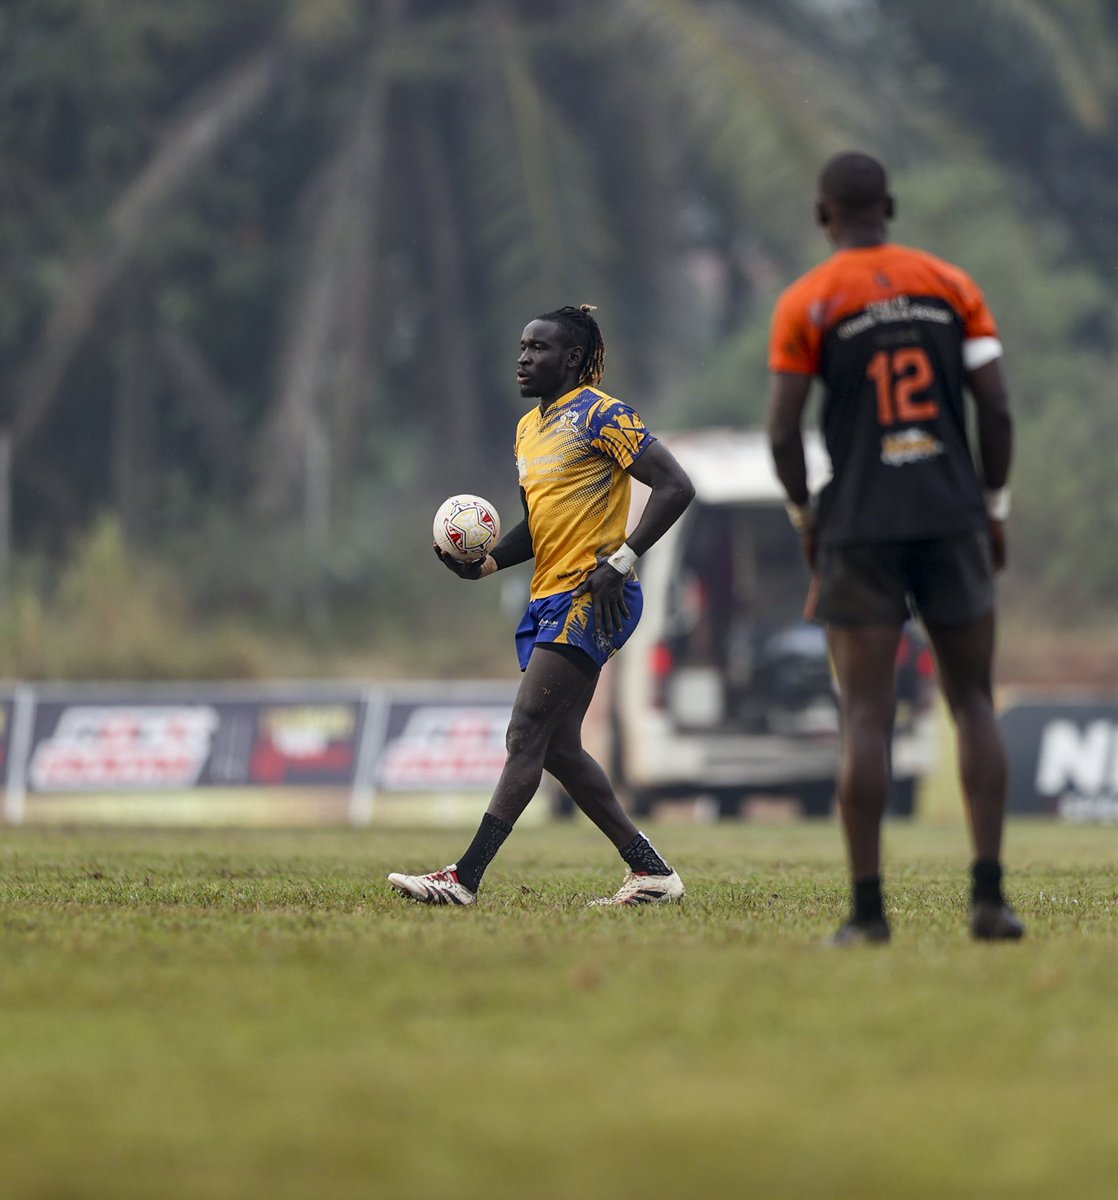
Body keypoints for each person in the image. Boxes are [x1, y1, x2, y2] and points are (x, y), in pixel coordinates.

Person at [766, 152, 1024, 945]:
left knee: (867, 717)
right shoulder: (953, 285)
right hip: (952, 516)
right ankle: (988, 900)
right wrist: (993, 506)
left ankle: (869, 913)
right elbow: (998, 410)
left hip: (861, 526)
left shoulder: (808, 301)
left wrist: (808, 517)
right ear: (891, 206)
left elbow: (784, 432)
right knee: (974, 700)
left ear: (823, 216)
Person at [388, 304, 695, 907]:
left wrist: (624, 559)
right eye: (522, 347)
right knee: (557, 747)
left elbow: (676, 485)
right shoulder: (529, 431)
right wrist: (487, 565)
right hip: (548, 596)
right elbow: (535, 526)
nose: (523, 358)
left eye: (538, 348)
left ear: (573, 359)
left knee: (526, 728)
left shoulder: (605, 415)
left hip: (594, 594)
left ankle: (464, 878)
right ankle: (652, 872)